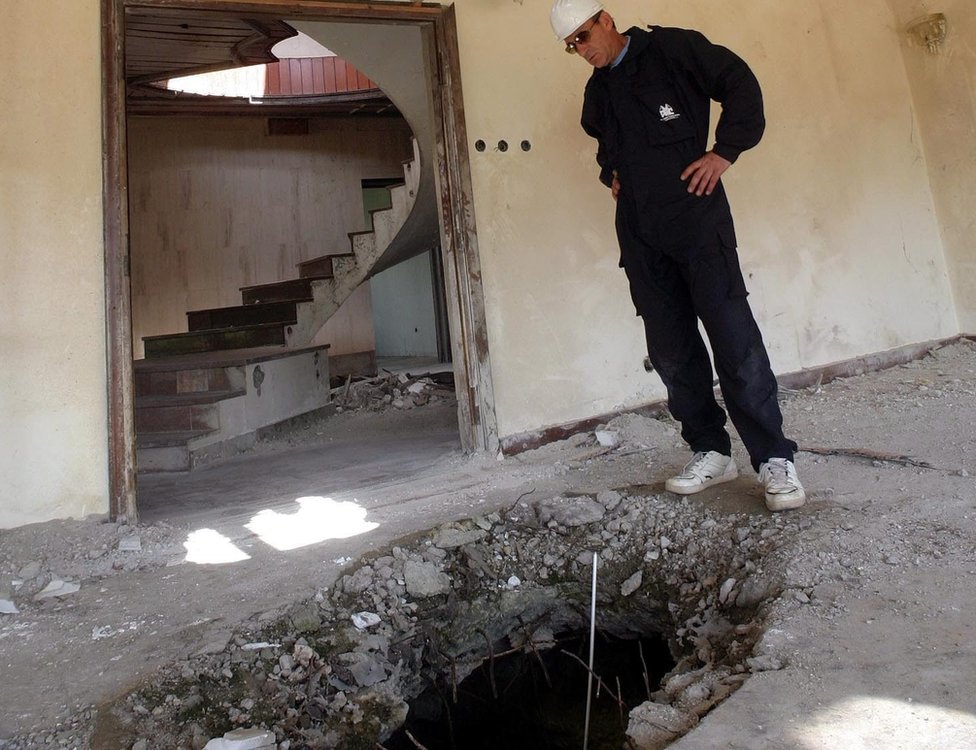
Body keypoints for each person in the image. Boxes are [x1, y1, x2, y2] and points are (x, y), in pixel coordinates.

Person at [550, 0, 806, 511]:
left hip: (697, 220)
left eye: (584, 35)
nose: (582, 50)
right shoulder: (597, 92)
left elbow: (739, 82)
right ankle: (710, 449)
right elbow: (606, 146)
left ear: (605, 19)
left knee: (734, 338)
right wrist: (612, 174)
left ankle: (775, 458)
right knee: (671, 350)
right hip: (642, 235)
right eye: (571, 45)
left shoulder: (672, 49)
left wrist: (724, 151)